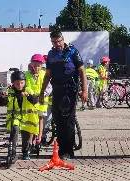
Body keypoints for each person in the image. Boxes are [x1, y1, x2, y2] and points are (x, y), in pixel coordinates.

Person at [39, 30, 88, 160]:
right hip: (57, 89)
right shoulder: (51, 54)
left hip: (70, 89)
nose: (57, 44)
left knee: (68, 120)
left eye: (58, 41)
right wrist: (42, 92)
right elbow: (48, 75)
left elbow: (82, 72)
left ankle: (68, 151)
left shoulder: (73, 51)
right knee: (58, 119)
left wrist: (84, 90)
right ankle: (61, 149)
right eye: (54, 42)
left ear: (63, 39)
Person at [0, 71, 39, 160]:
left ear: (25, 82)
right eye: (17, 83)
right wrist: (3, 97)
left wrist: (28, 96)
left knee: (26, 137)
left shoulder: (28, 90)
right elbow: (1, 103)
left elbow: (35, 100)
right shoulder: (10, 91)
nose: (20, 85)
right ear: (13, 83)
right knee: (15, 130)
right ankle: (13, 151)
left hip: (26, 118)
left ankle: (25, 151)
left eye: (22, 83)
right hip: (15, 117)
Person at [25, 54, 48, 152]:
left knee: (40, 120)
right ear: (31, 65)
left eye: (38, 66)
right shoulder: (27, 75)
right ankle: (31, 141)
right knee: (32, 122)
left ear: (42, 65)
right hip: (31, 101)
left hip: (42, 101)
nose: (36, 68)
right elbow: (24, 85)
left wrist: (45, 93)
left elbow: (49, 86)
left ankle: (39, 139)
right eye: (34, 66)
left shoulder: (45, 74)